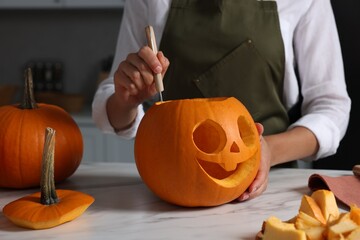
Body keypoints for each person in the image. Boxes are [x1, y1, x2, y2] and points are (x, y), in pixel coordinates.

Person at [92, 0, 351, 202]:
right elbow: (113, 107)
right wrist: (126, 100)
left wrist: (267, 151)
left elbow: (332, 107)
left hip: (272, 188)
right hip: (170, 190)